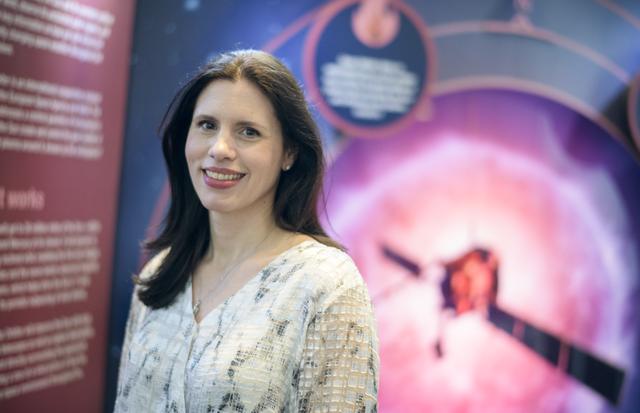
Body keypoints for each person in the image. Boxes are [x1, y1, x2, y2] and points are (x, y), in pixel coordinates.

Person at [114, 50, 379, 412]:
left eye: (248, 132)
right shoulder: (159, 273)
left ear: (289, 153)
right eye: (207, 125)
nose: (220, 149)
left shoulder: (326, 284)